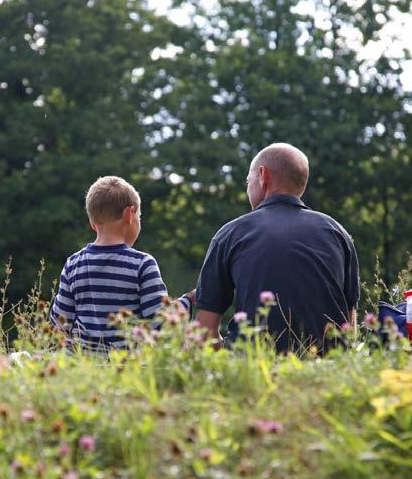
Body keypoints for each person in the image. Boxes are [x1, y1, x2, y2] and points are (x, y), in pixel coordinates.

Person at [195, 142, 359, 353]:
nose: (247, 188)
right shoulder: (338, 234)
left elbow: (205, 331)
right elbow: (350, 323)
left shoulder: (231, 234)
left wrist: (232, 373)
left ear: (263, 176)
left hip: (255, 374)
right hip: (327, 374)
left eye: (248, 180)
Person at [51, 175, 195, 350]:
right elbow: (160, 323)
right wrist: (189, 299)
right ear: (129, 214)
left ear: (92, 223)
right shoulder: (142, 264)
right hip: (126, 370)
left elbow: (59, 324)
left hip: (83, 370)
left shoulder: (73, 264)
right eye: (139, 217)